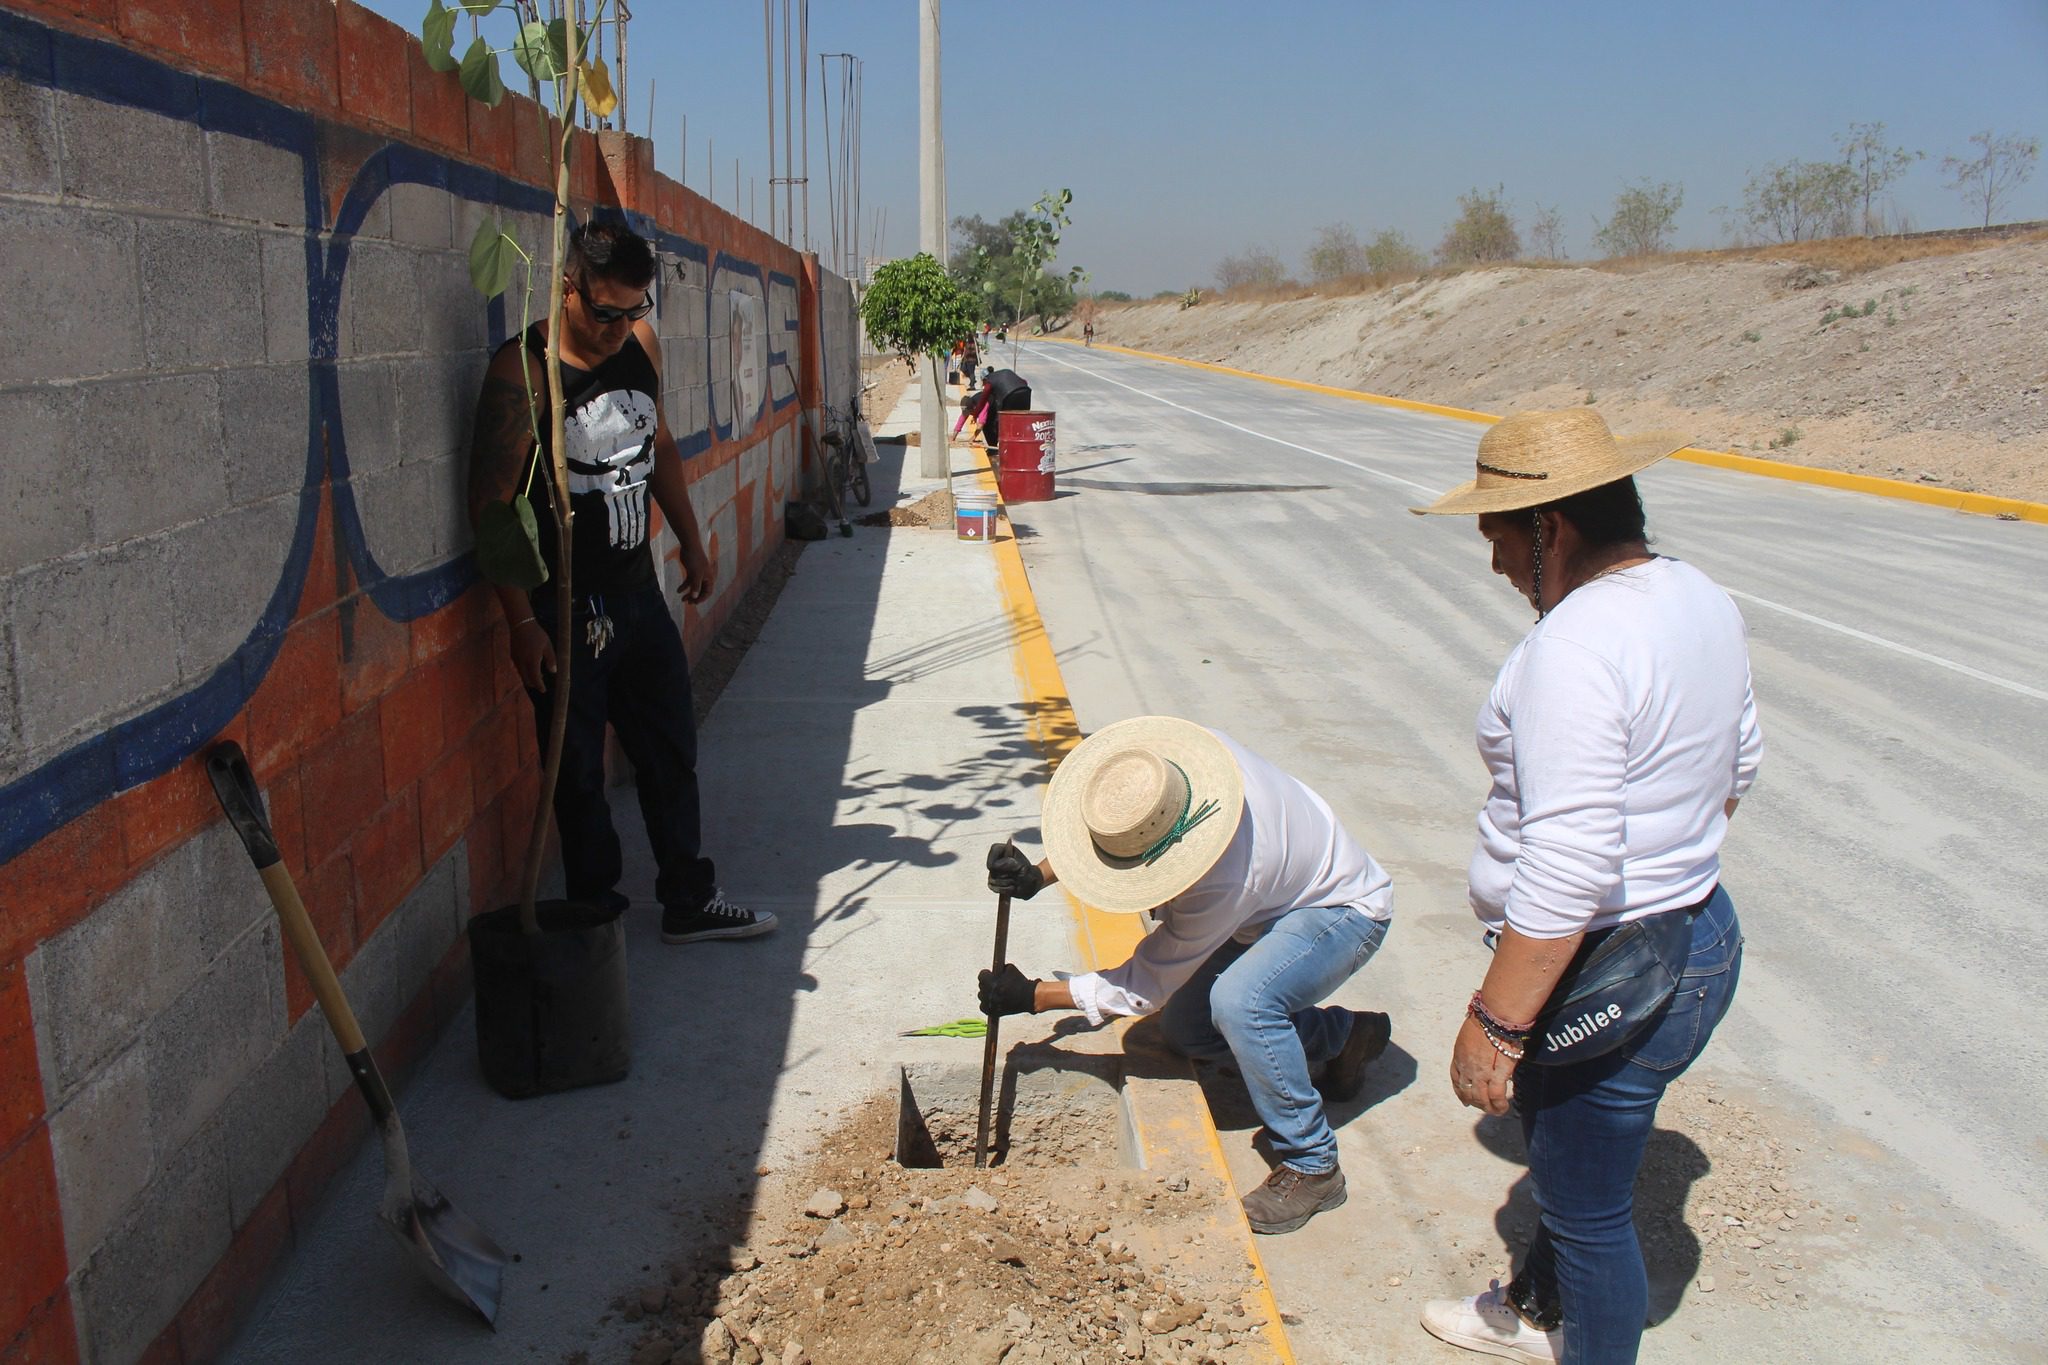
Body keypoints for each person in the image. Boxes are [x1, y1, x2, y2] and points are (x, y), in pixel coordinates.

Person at [1410, 409, 1757, 1363]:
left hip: (1609, 968)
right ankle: (1530, 1303)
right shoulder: (1697, 597)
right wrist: (1671, 855)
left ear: (1548, 530)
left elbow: (1567, 867)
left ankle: (1575, 1332)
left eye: (1497, 538)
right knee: (1583, 1172)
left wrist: (1498, 1020)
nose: (1494, 565)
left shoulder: (1574, 648)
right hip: (1701, 935)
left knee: (1590, 1213)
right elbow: (1739, 764)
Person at [467, 221, 776, 946]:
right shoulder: (523, 370)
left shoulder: (639, 343)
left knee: (670, 746)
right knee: (575, 774)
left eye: (632, 310)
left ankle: (688, 897)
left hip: (637, 595)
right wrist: (520, 621)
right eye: (605, 312)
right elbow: (489, 504)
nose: (618, 329)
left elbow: (658, 441)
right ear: (567, 288)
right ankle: (595, 917)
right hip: (563, 608)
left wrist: (692, 542)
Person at [977, 716, 1395, 1235]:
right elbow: (1124, 833)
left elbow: (1145, 985)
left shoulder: (1222, 881)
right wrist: (1038, 875)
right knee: (1186, 1033)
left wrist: (1036, 995)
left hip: (1341, 912)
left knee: (1243, 1004)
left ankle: (1313, 1165)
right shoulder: (1176, 773)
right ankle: (1344, 1037)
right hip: (1266, 905)